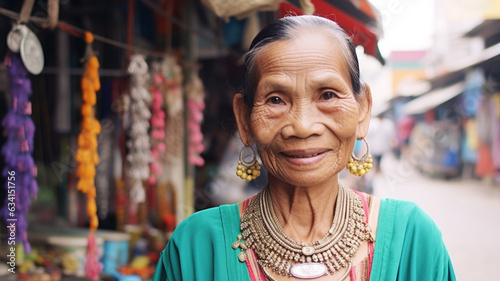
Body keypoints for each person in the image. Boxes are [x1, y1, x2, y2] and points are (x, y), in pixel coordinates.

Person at [152, 15, 456, 281]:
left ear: (363, 110)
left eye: (327, 95)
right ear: (244, 119)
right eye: (275, 100)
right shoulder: (197, 245)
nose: (302, 126)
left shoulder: (411, 239)